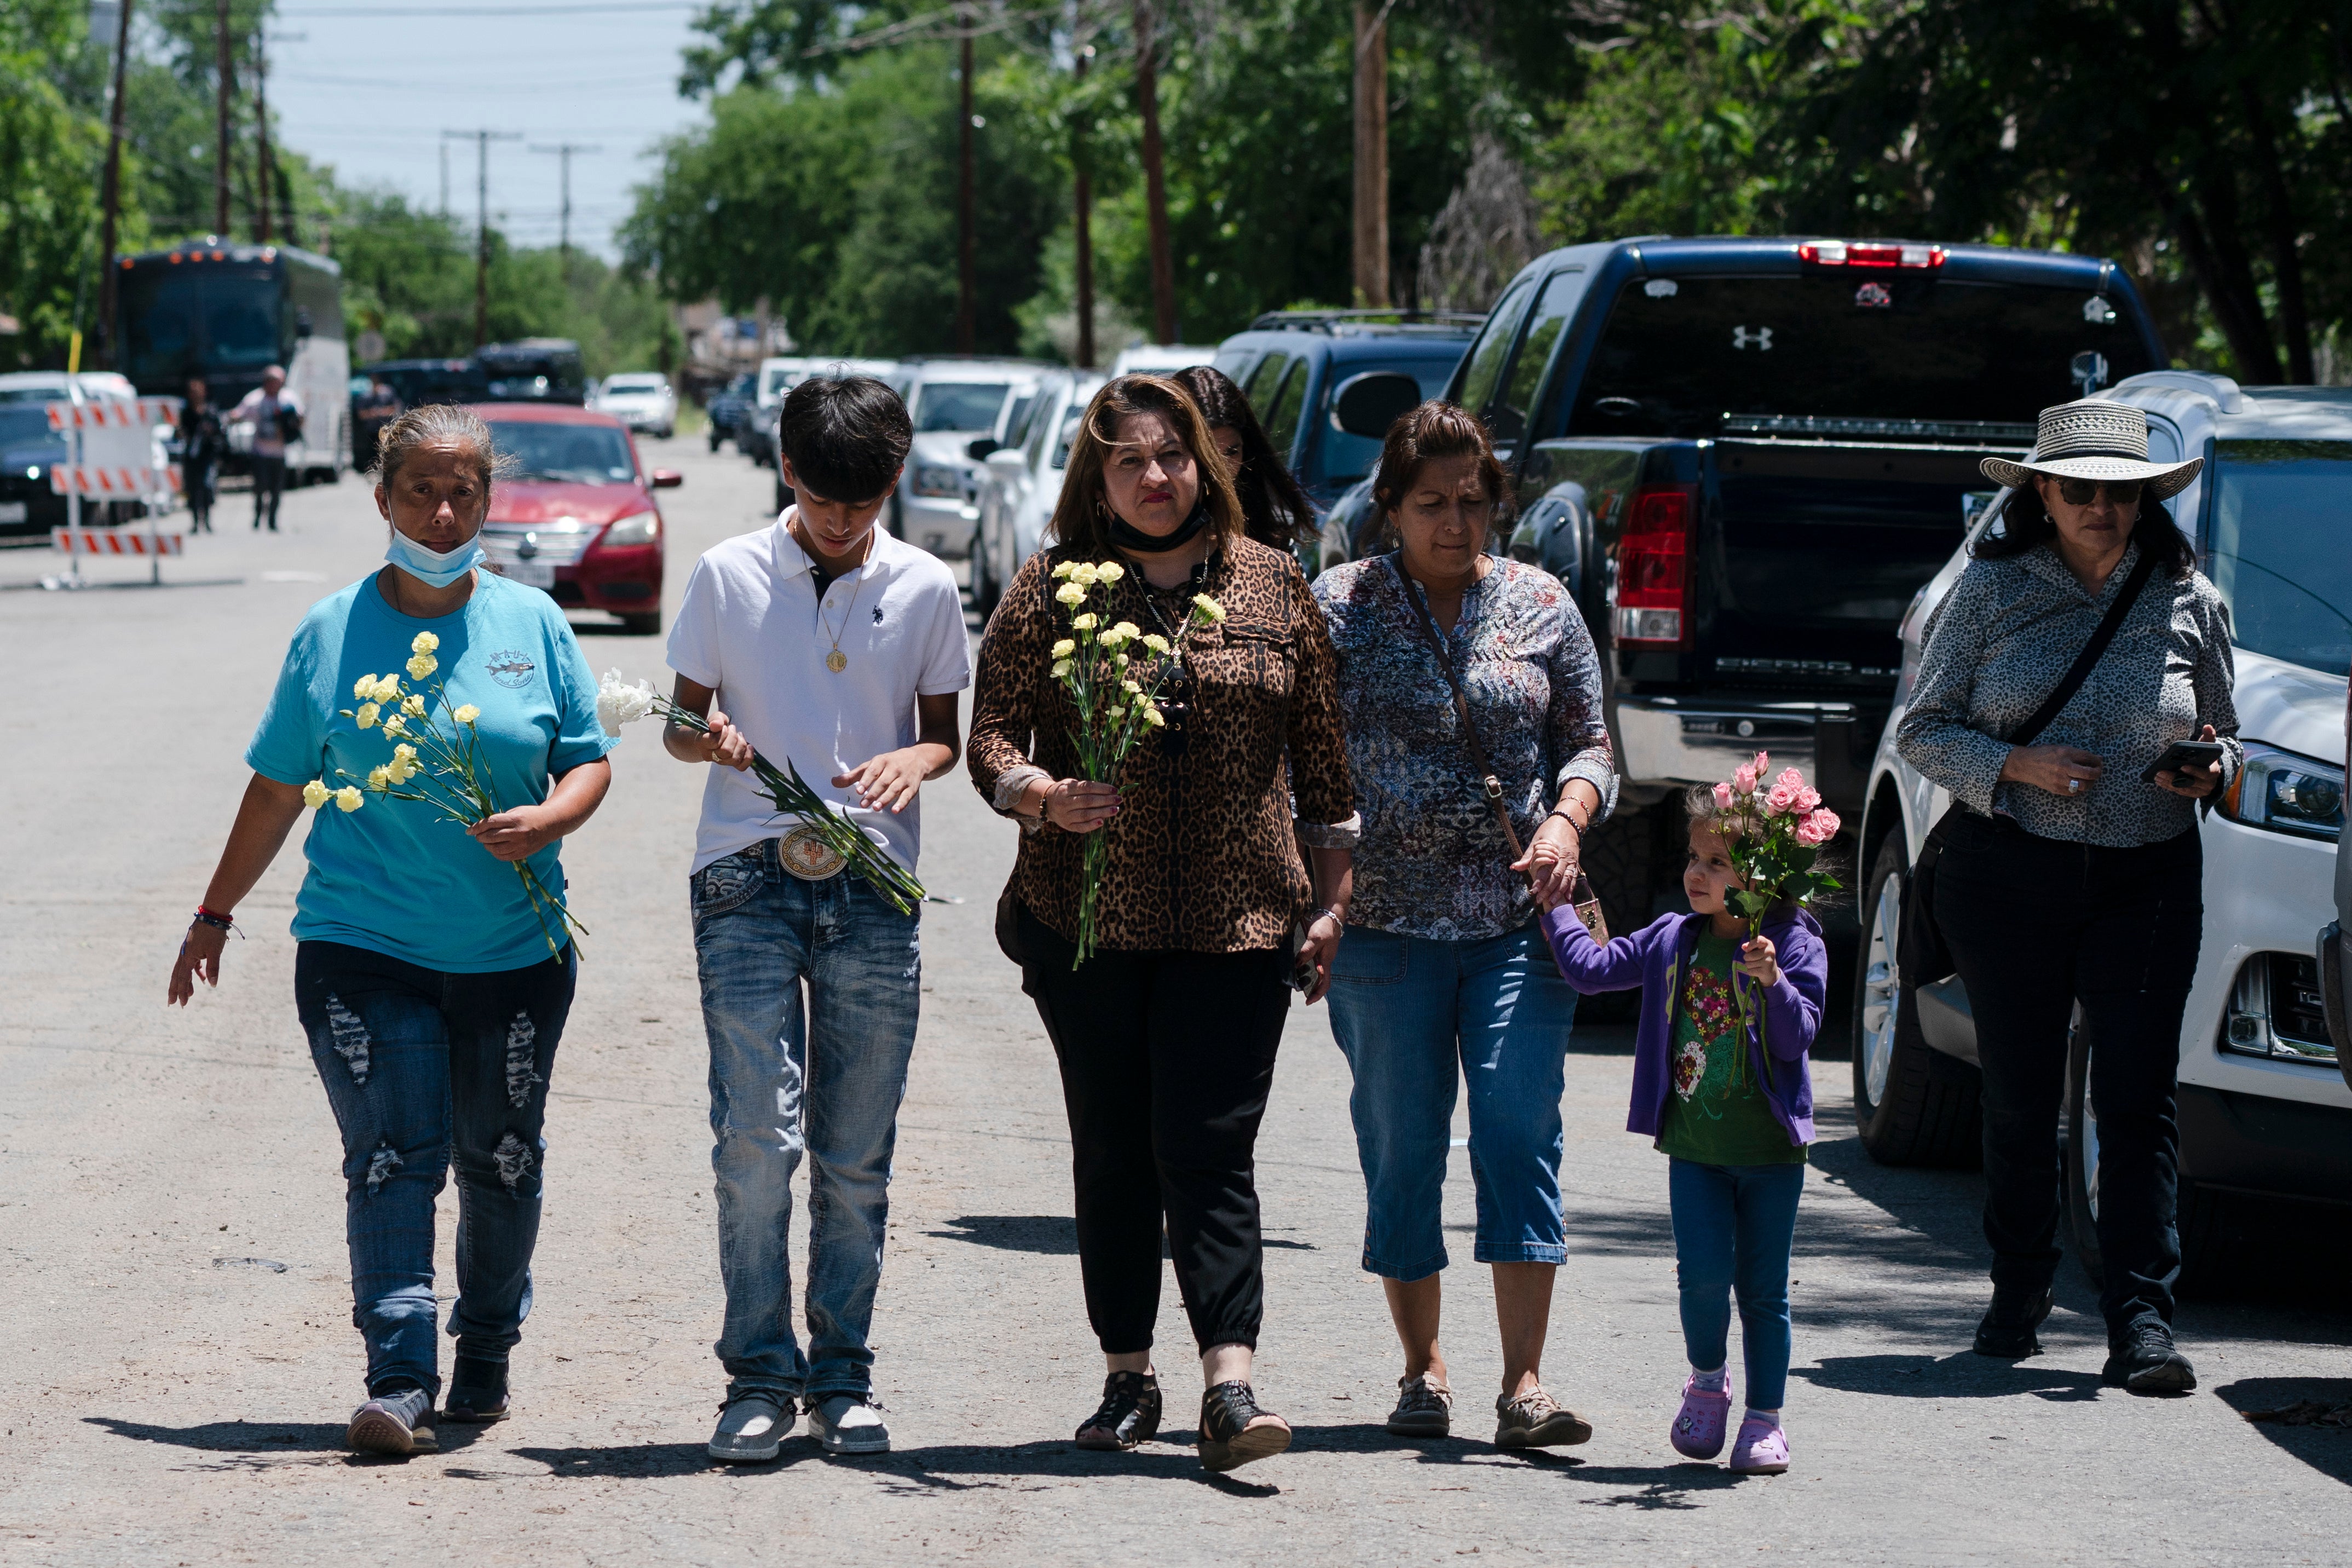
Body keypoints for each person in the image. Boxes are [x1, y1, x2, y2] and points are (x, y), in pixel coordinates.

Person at [165, 403, 616, 1456]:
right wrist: (214, 910)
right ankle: (401, 1377)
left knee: (501, 1157)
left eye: (465, 490)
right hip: (361, 948)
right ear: (382, 499)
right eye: (422, 488)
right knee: (391, 1156)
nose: (445, 509)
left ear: (490, 500)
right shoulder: (329, 631)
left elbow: (588, 755)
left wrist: (553, 815)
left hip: (516, 950)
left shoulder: (534, 623)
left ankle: (487, 1352)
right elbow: (279, 788)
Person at [966, 373, 1356, 1475]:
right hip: (1085, 920)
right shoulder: (1051, 587)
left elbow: (1325, 767)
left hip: (1238, 921)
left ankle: (1229, 1387)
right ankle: (1128, 1375)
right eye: (1130, 461)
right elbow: (990, 739)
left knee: (1210, 1148)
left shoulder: (1275, 585)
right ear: (1099, 476)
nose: (1155, 477)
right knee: (1117, 1149)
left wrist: (1333, 903)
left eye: (1174, 458)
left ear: (1208, 467)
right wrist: (1041, 794)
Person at [1896, 397, 2237, 1395]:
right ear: (2040, 493)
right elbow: (1923, 728)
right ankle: (2017, 1290)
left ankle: (2140, 1319)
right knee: (2020, 1091)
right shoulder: (1993, 592)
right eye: (2080, 489)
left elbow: (2227, 740)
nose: (2101, 507)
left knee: (2136, 1097)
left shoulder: (2192, 599)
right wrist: (2017, 766)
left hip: (2149, 873)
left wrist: (2206, 769)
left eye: (2120, 493)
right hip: (2011, 874)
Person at [665, 374, 971, 1462]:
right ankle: (757, 1375)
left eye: (864, 499)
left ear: (894, 480)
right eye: (822, 494)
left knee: (856, 1152)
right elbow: (677, 725)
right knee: (756, 1139)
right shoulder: (727, 572)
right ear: (788, 470)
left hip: (874, 887)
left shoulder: (928, 585)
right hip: (745, 878)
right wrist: (715, 744)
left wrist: (913, 759)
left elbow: (946, 734)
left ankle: (842, 1374)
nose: (842, 519)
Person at [1310, 401, 1614, 1450]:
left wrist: (1569, 822)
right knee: (1400, 1148)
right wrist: (1318, 889)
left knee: (1519, 1128)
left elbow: (1589, 742)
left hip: (1518, 923)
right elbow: (1302, 762)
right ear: (1388, 507)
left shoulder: (1541, 602)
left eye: (1473, 502)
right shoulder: (1339, 606)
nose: (1455, 522)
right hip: (1384, 925)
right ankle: (1421, 1366)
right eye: (1431, 503)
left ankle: (1525, 1380)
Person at [1541, 792, 1824, 1475]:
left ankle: (1765, 1418)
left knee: (1764, 1291)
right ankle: (1707, 1380)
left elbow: (1798, 1036)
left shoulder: (1791, 941)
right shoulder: (1675, 937)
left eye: (1718, 861)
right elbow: (1593, 968)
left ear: (1762, 874)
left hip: (1770, 1154)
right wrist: (1555, 902)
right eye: (1695, 857)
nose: (1698, 872)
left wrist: (1775, 981)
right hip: (1695, 1153)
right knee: (1700, 1279)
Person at [1171, 364, 1315, 555]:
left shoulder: (1270, 538)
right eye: (1206, 454)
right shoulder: (1144, 531)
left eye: (1232, 452)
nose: (1220, 469)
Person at [233, 365, 298, 531]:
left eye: (277, 382)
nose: (273, 385)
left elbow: (300, 418)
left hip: (279, 452)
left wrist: (291, 426)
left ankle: (272, 520)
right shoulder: (255, 399)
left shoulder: (288, 399)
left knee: (277, 490)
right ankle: (257, 515)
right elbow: (238, 413)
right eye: (270, 381)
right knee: (260, 487)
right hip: (260, 452)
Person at [178, 378, 223, 533]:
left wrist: (210, 431)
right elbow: (178, 432)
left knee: (207, 487)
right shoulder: (185, 413)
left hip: (207, 455)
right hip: (192, 456)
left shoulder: (210, 411)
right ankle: (196, 522)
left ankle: (208, 521)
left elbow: (219, 431)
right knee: (193, 488)